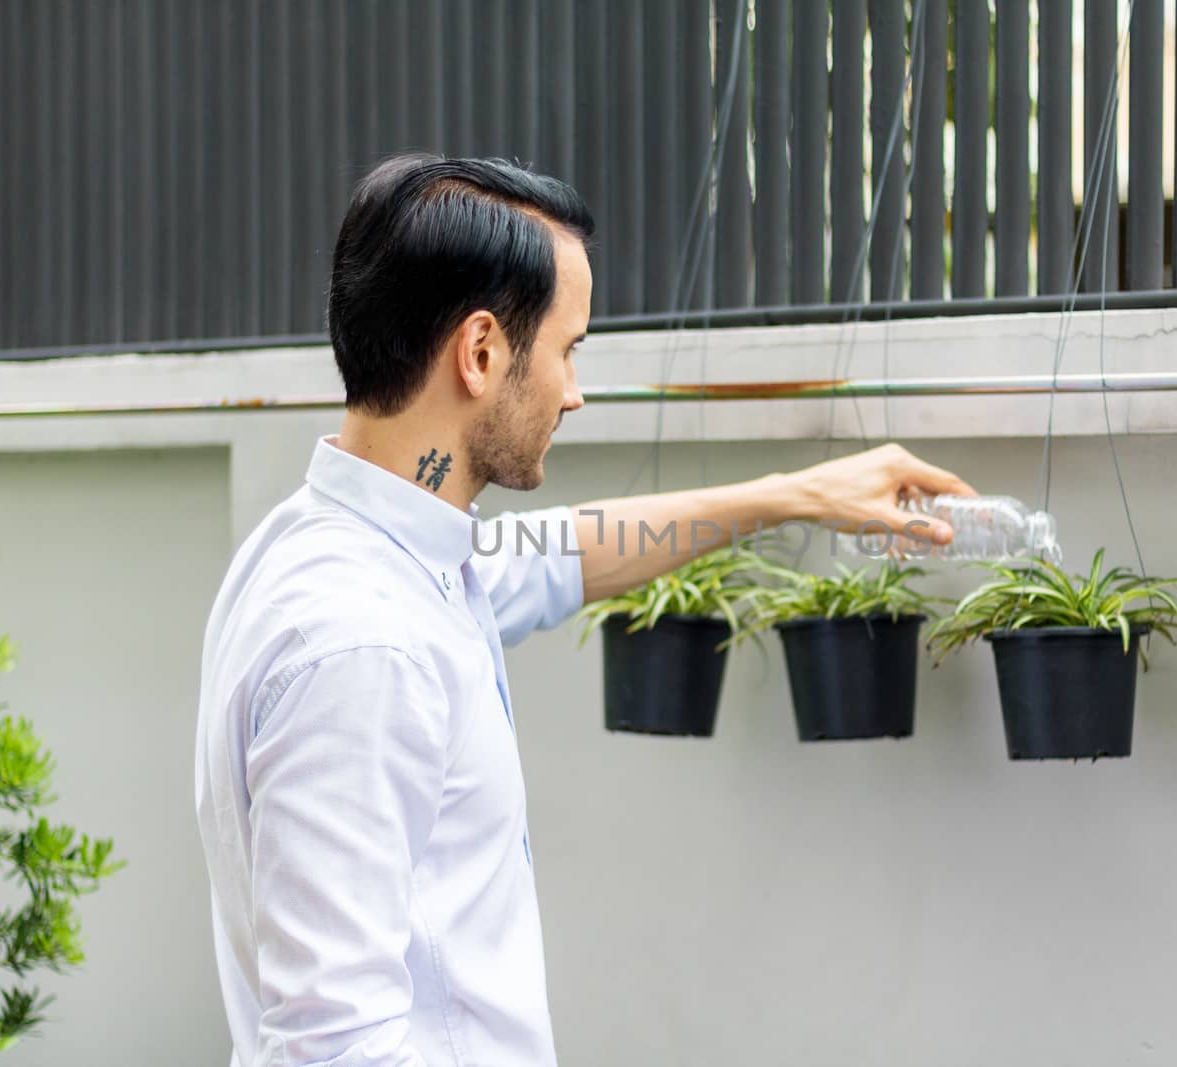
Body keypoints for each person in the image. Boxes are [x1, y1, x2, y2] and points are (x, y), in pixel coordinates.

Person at [194, 154, 973, 1066]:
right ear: (481, 353)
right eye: (568, 349)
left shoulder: (357, 543)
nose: (574, 390)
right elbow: (332, 1049)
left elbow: (566, 550)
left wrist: (802, 492)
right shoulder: (362, 644)